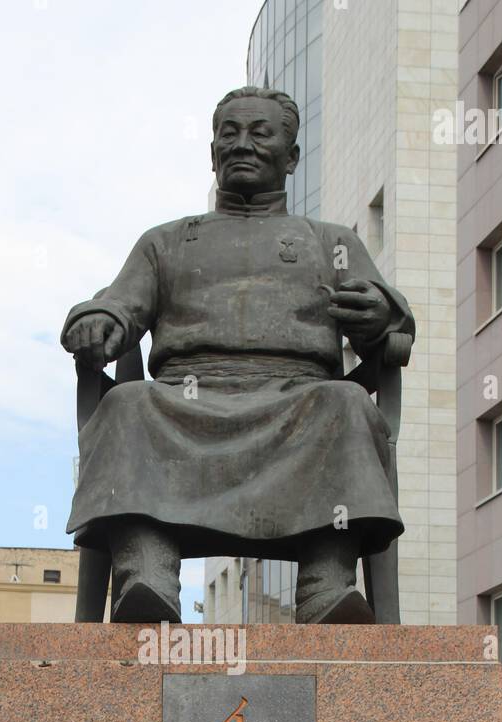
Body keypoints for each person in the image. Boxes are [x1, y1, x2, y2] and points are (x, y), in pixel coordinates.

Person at [62, 86, 414, 624]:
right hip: (183, 402)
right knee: (129, 404)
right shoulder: (167, 242)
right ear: (212, 153)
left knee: (344, 404)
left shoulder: (330, 242)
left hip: (298, 401)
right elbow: (116, 306)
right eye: (230, 133)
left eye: (260, 133)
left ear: (291, 157)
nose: (243, 145)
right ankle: (146, 573)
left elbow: (390, 328)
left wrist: (379, 316)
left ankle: (327, 585)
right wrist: (96, 322)